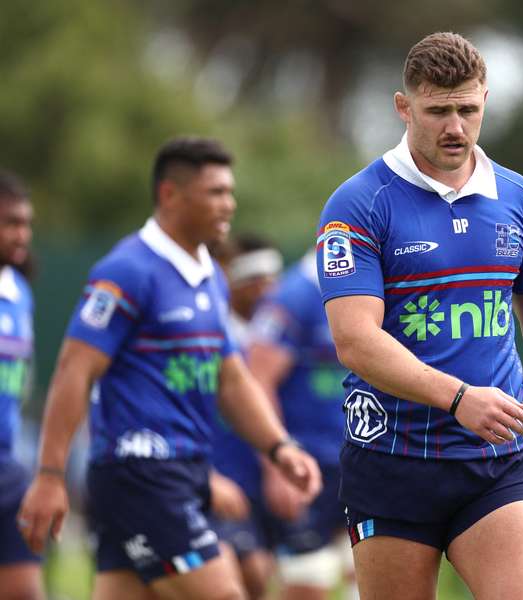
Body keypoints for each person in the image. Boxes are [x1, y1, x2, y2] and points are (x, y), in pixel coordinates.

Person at [316, 32, 523, 600]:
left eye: (467, 109)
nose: (454, 126)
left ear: (484, 103)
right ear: (404, 108)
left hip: (494, 461)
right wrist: (459, 397)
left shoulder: (516, 197)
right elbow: (355, 341)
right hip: (392, 460)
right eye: (437, 110)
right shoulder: (360, 204)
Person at [16, 137, 322, 600]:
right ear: (170, 195)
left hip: (185, 470)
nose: (229, 204)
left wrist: (280, 448)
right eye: (215, 192)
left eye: (229, 192)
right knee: (228, 593)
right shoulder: (127, 271)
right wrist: (51, 475)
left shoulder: (212, 277)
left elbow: (232, 379)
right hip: (140, 472)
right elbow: (73, 372)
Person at [246, 249, 355, 600]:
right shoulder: (295, 295)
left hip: (362, 458)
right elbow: (256, 380)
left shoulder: (369, 287)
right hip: (307, 463)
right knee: (308, 578)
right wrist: (276, 464)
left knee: (369, 573)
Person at [208, 234, 285, 600]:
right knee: (246, 575)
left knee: (264, 575)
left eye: (272, 279)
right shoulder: (213, 333)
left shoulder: (277, 338)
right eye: (255, 280)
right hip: (222, 476)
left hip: (263, 476)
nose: (266, 289)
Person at [0, 170, 42, 600]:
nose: (22, 234)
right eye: (10, 222)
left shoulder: (19, 292)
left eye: (26, 223)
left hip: (9, 465)